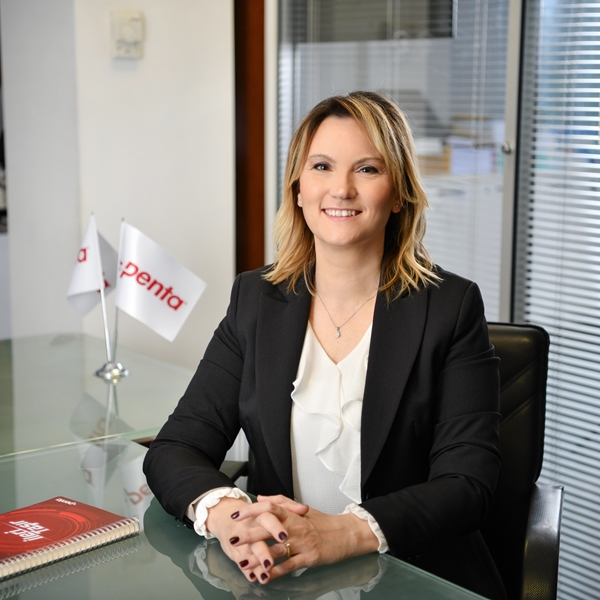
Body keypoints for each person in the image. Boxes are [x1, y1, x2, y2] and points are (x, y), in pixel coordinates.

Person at [143, 91, 506, 599]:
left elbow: (467, 485)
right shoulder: (255, 300)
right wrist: (230, 516)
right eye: (322, 166)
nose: (341, 189)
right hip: (285, 580)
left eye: (368, 169)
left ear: (398, 193)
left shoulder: (450, 307)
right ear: (298, 188)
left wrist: (346, 534)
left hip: (414, 578)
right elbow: (176, 447)